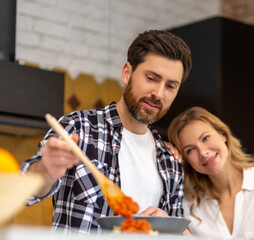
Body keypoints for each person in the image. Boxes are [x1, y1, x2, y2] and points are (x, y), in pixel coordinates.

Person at [20, 30, 192, 234]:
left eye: (171, 86)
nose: (159, 94)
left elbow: (176, 234)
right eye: (151, 78)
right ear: (127, 73)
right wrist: (46, 171)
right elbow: (25, 192)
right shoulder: (78, 128)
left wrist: (170, 227)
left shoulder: (170, 161)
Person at [167, 107, 254, 240]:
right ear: (185, 159)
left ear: (222, 135)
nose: (203, 152)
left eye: (205, 138)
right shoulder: (188, 205)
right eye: (190, 150)